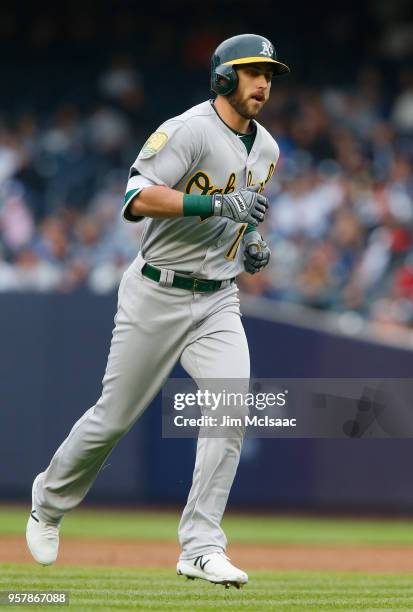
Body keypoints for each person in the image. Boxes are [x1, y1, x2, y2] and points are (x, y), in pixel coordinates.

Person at [26, 33, 289, 589]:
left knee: (229, 407)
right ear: (223, 77)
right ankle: (47, 504)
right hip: (156, 292)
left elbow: (242, 216)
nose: (263, 82)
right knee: (112, 419)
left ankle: (200, 545)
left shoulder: (267, 149)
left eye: (269, 73)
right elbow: (135, 198)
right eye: (251, 71)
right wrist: (216, 204)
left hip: (218, 297)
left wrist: (249, 243)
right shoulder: (189, 128)